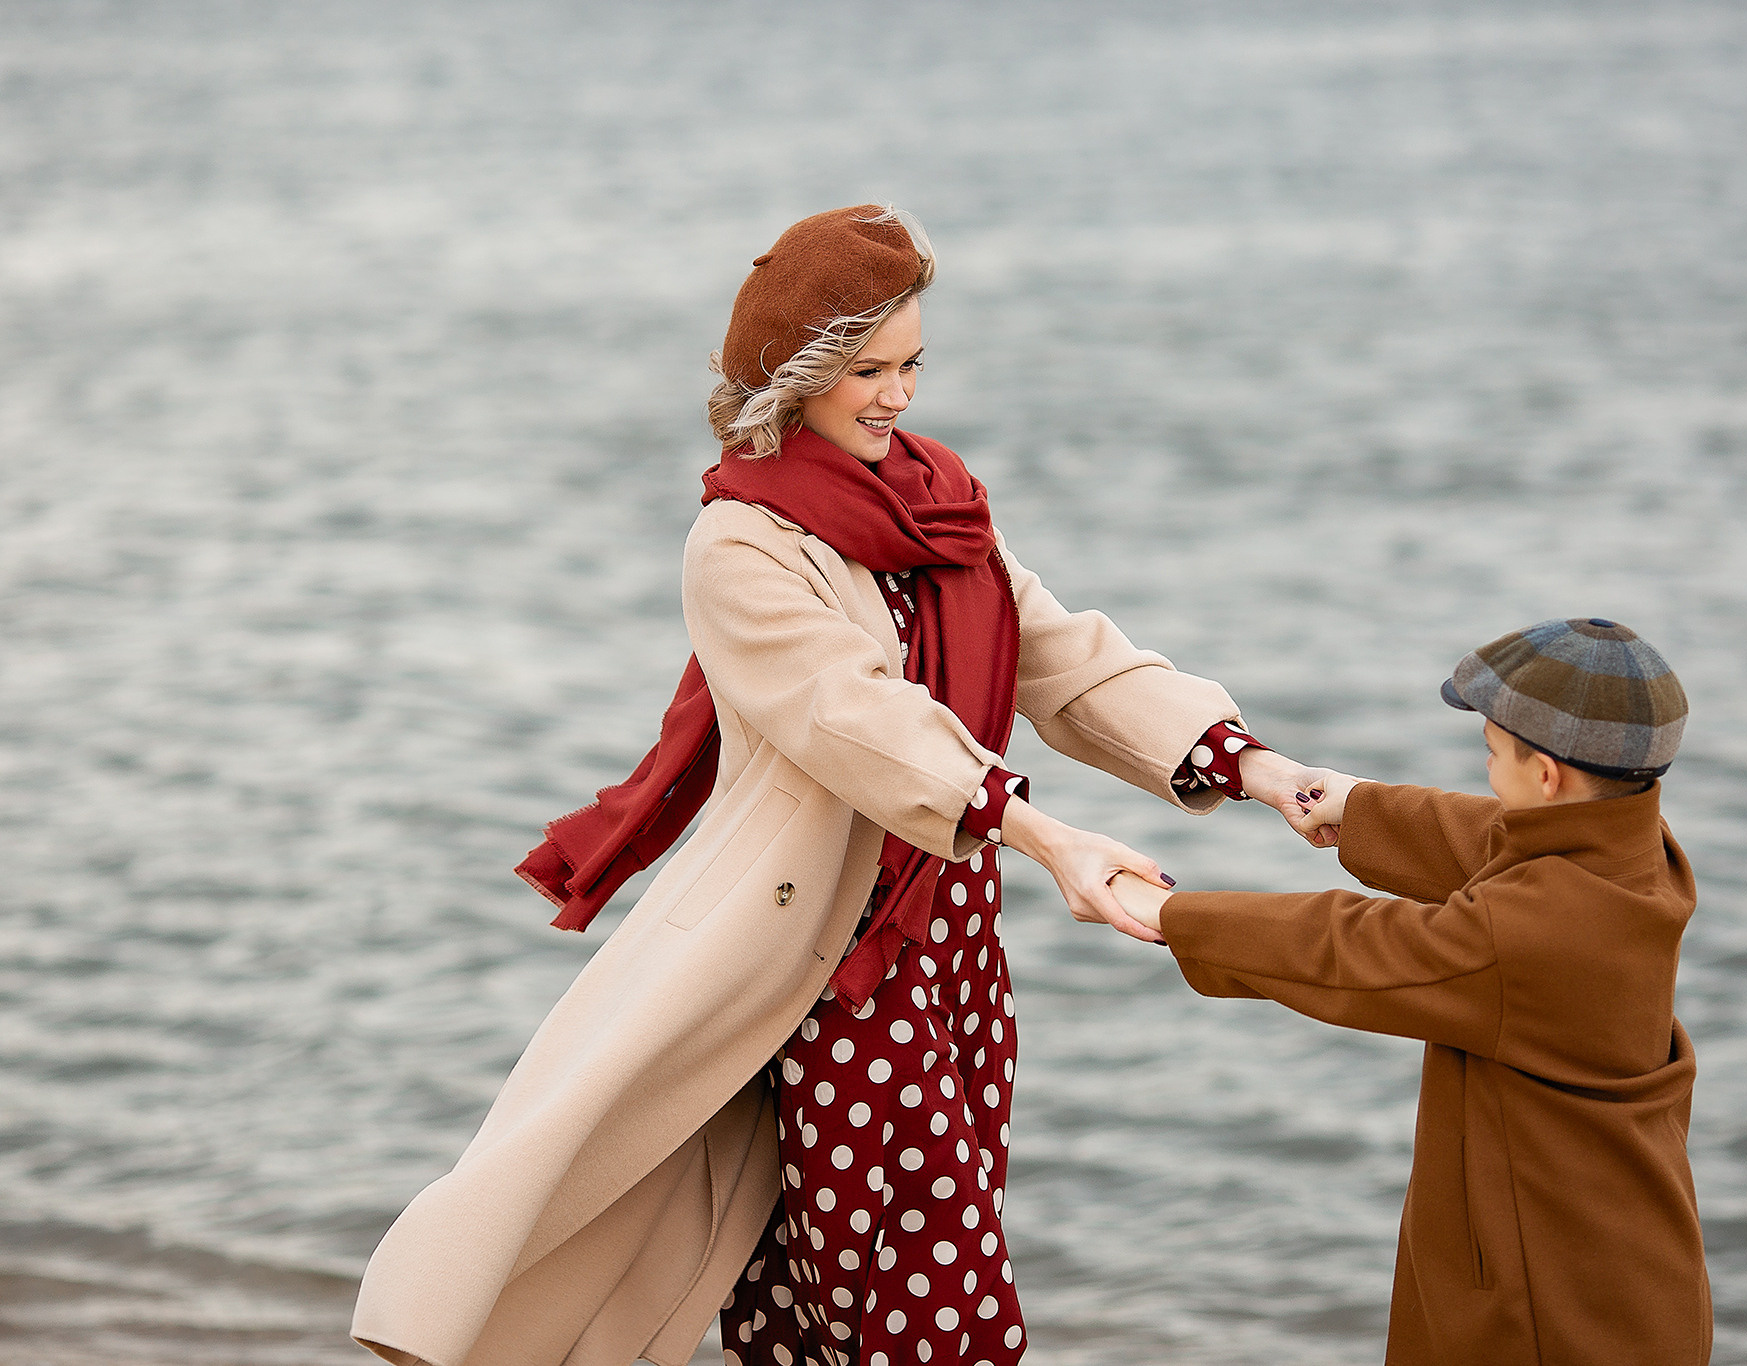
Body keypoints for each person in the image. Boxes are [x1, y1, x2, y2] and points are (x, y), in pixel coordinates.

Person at [351, 204, 1332, 1366]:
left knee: (829, 1300)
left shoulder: (939, 502)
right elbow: (853, 718)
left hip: (952, 946)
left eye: (912, 363)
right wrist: (1041, 833)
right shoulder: (740, 546)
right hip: (826, 960)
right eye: (867, 368)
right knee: (935, 1315)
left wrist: (1257, 768)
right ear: (796, 375)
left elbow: (1061, 657)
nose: (897, 394)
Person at [1108, 618, 1713, 1366]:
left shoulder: (1528, 933)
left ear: (1548, 775)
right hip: (1626, 1272)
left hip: (1546, 1307)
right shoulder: (1639, 858)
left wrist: (1172, 915)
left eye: (1493, 755)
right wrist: (1352, 804)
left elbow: (1356, 949)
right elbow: (1493, 839)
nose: (1487, 772)